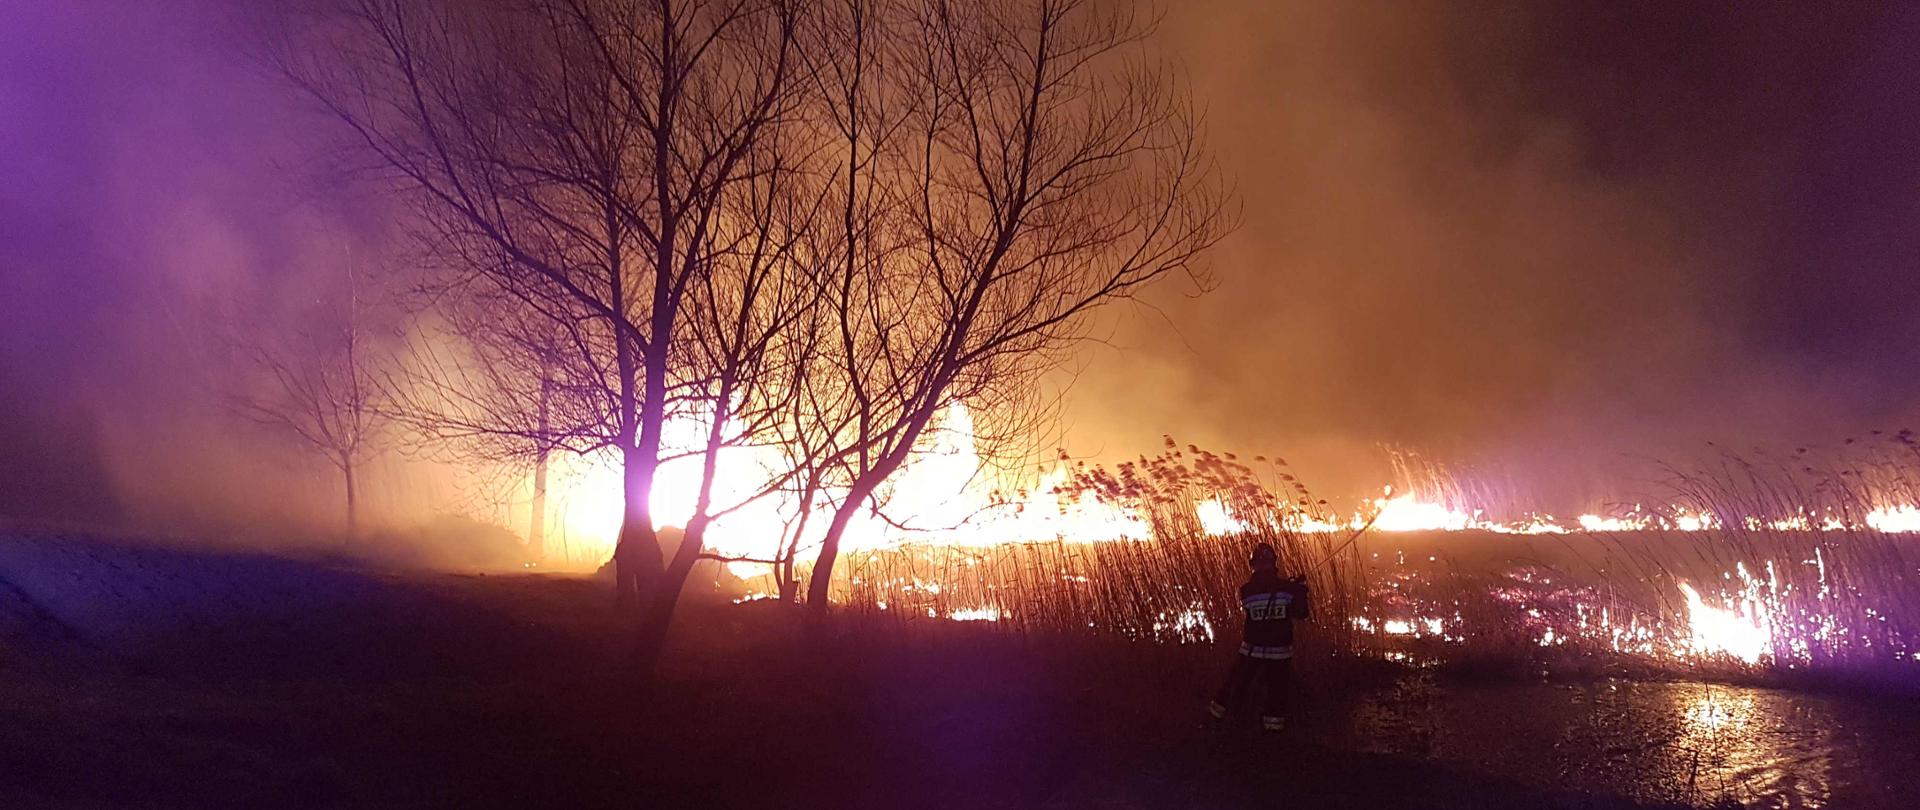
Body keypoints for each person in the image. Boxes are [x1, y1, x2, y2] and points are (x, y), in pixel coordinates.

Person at [1208, 542, 1310, 731]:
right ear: (1274, 563)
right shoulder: (1287, 589)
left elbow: (1255, 607)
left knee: (1237, 685)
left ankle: (1221, 722)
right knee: (1276, 693)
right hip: (1279, 653)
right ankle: (1272, 733)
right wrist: (1300, 590)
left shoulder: (1246, 591)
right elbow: (1301, 613)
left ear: (1253, 564)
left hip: (1251, 650)